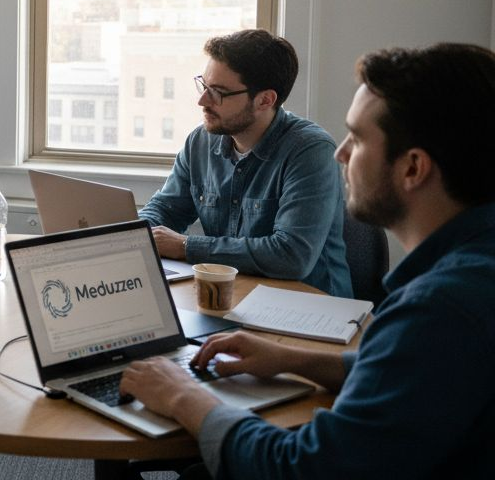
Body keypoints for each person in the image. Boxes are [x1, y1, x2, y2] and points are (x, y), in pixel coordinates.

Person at [120, 42, 495, 479]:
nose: (342, 154)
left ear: (413, 169)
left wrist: (183, 395)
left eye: (357, 138)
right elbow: (419, 373)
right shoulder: (465, 278)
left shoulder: (438, 308)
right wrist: (295, 360)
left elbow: (306, 468)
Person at [139, 29, 351, 297]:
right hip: (234, 298)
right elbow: (166, 210)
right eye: (204, 86)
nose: (202, 101)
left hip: (312, 310)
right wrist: (135, 236)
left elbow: (291, 256)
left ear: (265, 100)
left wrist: (185, 247)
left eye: (218, 93)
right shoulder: (201, 141)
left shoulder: (310, 151)